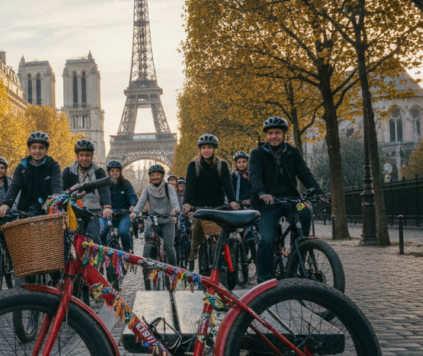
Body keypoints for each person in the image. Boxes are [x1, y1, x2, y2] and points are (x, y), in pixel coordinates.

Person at [249, 116, 322, 283]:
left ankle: (295, 263)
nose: (274, 136)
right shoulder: (257, 153)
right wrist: (262, 193)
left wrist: (318, 191)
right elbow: (255, 176)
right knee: (266, 240)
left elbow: (304, 173)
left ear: (284, 135)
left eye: (277, 133)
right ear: (266, 135)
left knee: (306, 211)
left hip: (292, 200)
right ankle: (264, 280)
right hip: (268, 203)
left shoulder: (293, 152)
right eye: (270, 133)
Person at [182, 134, 239, 263]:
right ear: (199, 149)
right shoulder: (193, 166)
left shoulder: (222, 165)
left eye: (209, 147)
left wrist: (232, 201)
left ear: (214, 149)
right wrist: (186, 202)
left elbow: (227, 185)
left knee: (222, 236)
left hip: (217, 205)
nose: (206, 150)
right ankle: (193, 255)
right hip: (199, 206)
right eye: (203, 147)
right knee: (196, 232)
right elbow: (189, 186)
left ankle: (226, 260)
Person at [0, 131, 62, 217]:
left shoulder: (53, 165)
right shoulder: (22, 167)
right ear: (29, 150)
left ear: (46, 150)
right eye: (34, 147)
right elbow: (14, 186)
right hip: (25, 211)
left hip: (48, 210)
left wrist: (57, 195)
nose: (37, 151)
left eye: (41, 148)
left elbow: (56, 183)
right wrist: (7, 203)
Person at [61, 138, 112, 242]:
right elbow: (62, 191)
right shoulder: (68, 171)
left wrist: (107, 207)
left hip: (92, 211)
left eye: (88, 155)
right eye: (82, 155)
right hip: (73, 211)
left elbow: (104, 189)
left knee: (94, 240)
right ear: (77, 156)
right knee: (70, 241)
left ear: (92, 156)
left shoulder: (99, 171)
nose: (85, 158)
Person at [131, 164, 180, 265]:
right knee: (149, 241)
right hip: (154, 221)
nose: (155, 177)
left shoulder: (168, 187)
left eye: (157, 175)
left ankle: (174, 271)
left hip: (168, 220)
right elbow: (141, 202)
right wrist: (135, 212)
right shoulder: (147, 189)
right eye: (153, 175)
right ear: (150, 177)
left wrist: (176, 209)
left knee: (168, 246)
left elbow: (174, 200)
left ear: (162, 176)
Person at [101, 160, 139, 251]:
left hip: (124, 213)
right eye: (112, 171)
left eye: (117, 171)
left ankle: (127, 251)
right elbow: (101, 196)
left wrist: (132, 205)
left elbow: (132, 195)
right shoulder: (105, 184)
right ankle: (103, 250)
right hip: (109, 212)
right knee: (102, 232)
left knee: (123, 231)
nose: (114, 173)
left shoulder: (126, 183)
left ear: (120, 172)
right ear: (109, 172)